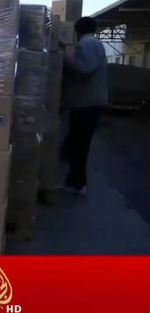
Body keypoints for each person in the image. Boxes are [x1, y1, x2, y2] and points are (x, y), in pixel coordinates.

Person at [60, 16, 108, 195]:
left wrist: (63, 58)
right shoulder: (95, 43)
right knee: (77, 142)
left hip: (87, 103)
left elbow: (85, 68)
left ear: (78, 30)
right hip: (89, 102)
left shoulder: (87, 44)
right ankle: (75, 180)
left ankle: (78, 183)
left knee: (79, 144)